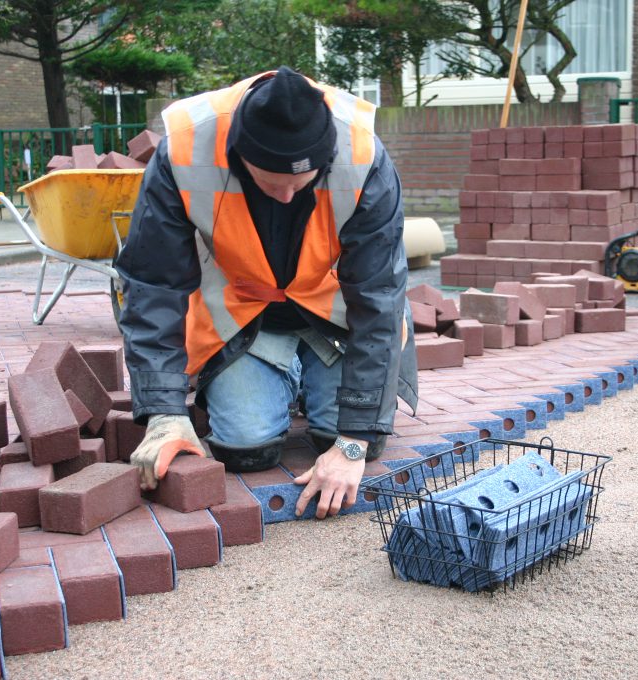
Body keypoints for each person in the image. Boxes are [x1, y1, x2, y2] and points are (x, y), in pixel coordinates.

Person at [115, 66, 418, 519]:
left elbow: (378, 296)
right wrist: (163, 410)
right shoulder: (186, 148)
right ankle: (279, 374)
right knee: (244, 449)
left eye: (302, 181)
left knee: (363, 440)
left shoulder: (361, 154)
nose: (286, 195)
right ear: (238, 154)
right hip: (242, 312)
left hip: (333, 315)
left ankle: (305, 377)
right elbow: (153, 283)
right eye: (271, 182)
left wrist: (353, 444)